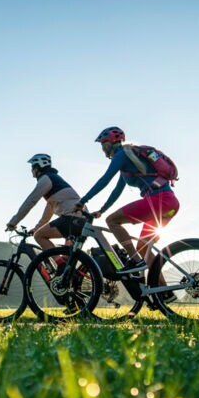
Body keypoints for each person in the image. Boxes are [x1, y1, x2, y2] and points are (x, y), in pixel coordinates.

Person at [75, 127, 179, 300]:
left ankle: (135, 261)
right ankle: (165, 292)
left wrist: (83, 200)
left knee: (113, 221)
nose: (102, 148)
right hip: (169, 202)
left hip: (158, 200)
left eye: (103, 144)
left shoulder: (121, 154)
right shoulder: (128, 159)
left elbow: (104, 180)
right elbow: (116, 191)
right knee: (143, 245)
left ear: (112, 142)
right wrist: (102, 210)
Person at [5, 153, 85, 249]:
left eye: (32, 167)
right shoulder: (55, 180)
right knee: (69, 259)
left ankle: (59, 263)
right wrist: (37, 227)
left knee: (39, 236)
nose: (31, 170)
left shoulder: (45, 179)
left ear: (38, 167)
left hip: (71, 219)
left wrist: (13, 222)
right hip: (82, 220)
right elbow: (49, 209)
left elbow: (30, 202)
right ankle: (63, 263)